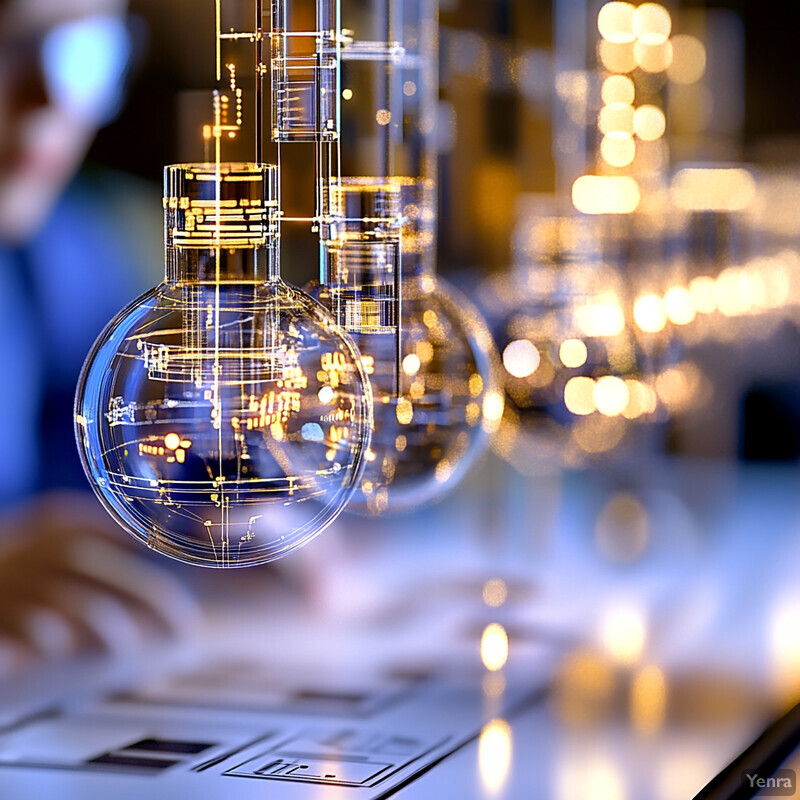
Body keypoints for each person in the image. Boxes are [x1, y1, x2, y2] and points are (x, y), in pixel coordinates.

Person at [0, 0, 201, 673]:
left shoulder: (51, 251)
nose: (52, 97)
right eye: (6, 46)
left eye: (86, 52)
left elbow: (125, 454)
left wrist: (218, 517)